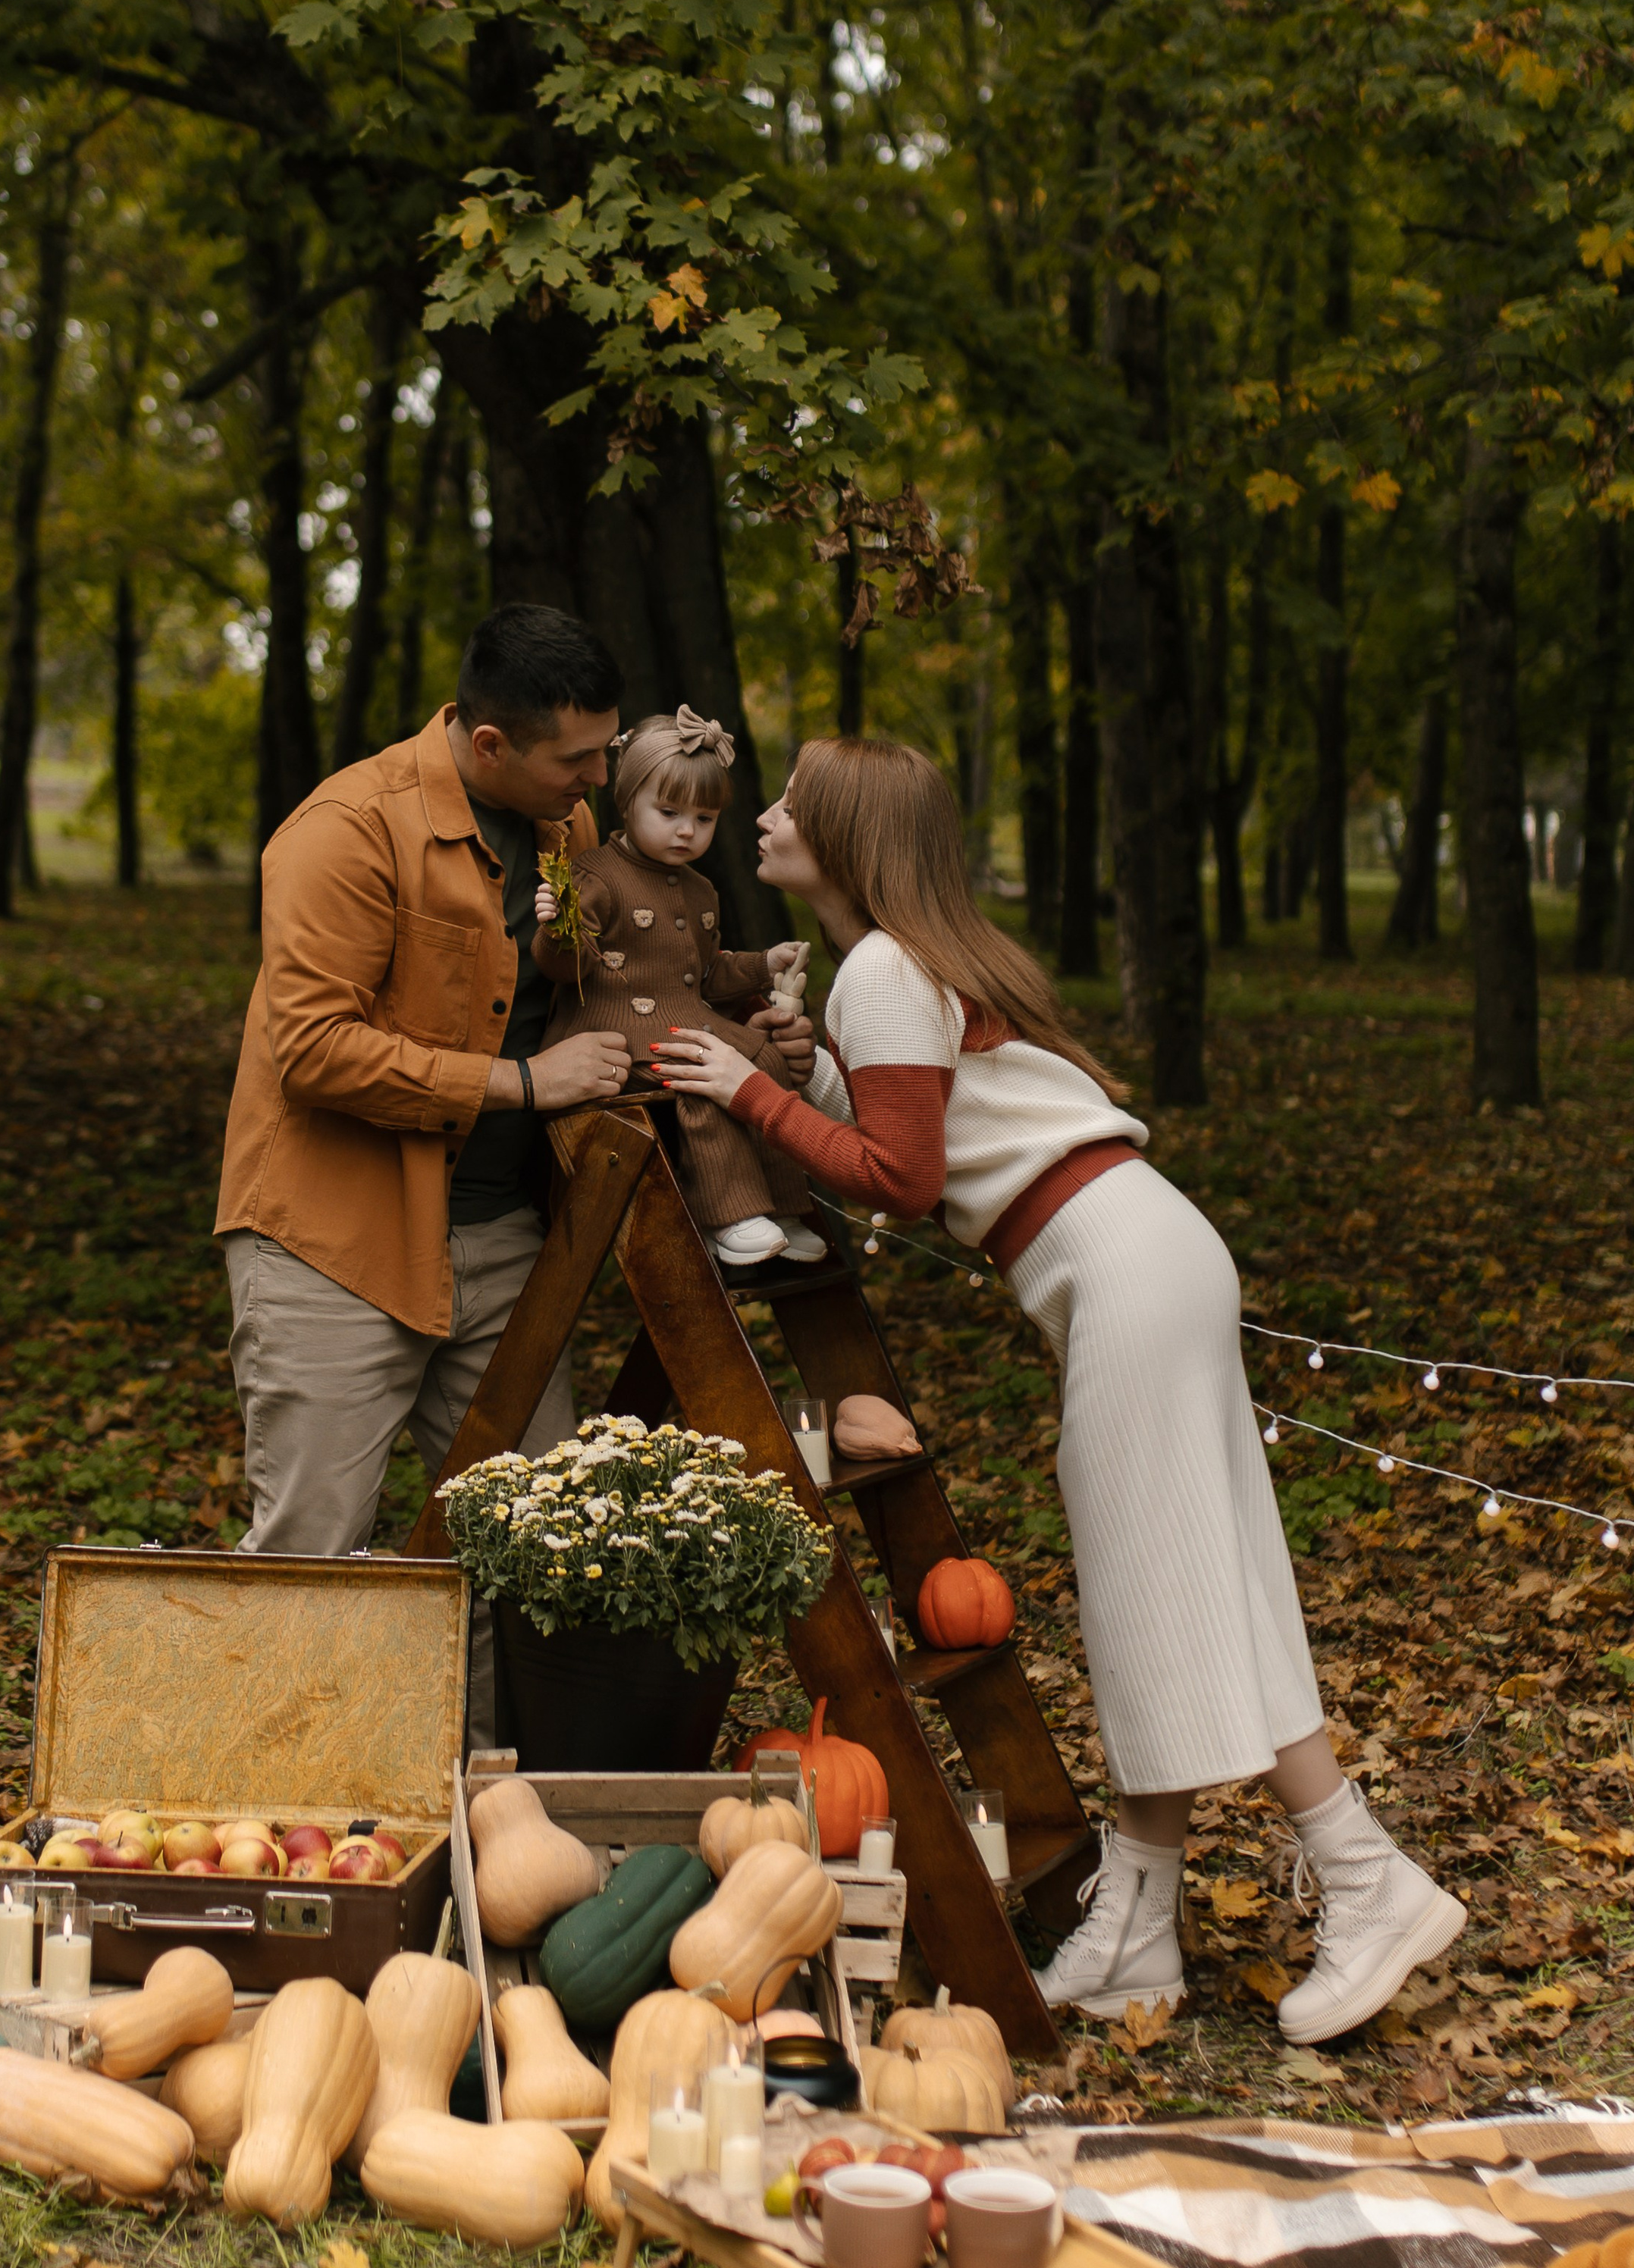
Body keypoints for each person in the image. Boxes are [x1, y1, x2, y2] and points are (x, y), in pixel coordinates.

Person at [649, 736, 1466, 2048]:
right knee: (1206, 1576)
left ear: (846, 834)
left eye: (796, 798)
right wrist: (801, 1077)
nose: (771, 811)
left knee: (1164, 1590)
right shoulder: (897, 969)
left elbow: (904, 1181)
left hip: (1121, 1267)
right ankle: (1141, 1923)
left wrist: (748, 1089)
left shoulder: (883, 970)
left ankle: (1367, 1880)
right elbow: (921, 1127)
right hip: (1138, 1252)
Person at [215, 604, 633, 1586]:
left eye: (605, 751)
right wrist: (527, 1085)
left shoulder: (567, 824)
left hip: (502, 1241)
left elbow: (579, 985)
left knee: (535, 1553)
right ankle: (294, 1749)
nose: (599, 780)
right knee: (313, 1560)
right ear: (490, 744)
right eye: (577, 757)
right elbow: (314, 1050)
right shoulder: (345, 831)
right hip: (333, 1246)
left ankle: (484, 1748)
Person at [531, 706, 823, 1266]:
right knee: (700, 1072)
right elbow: (569, 967)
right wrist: (558, 927)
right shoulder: (596, 874)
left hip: (685, 1015)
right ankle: (728, 1215)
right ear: (627, 800)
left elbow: (706, 977)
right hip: (614, 1026)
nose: (687, 830)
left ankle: (785, 1205)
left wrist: (763, 964)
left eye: (705, 818)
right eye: (668, 812)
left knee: (768, 1058)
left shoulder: (700, 889)